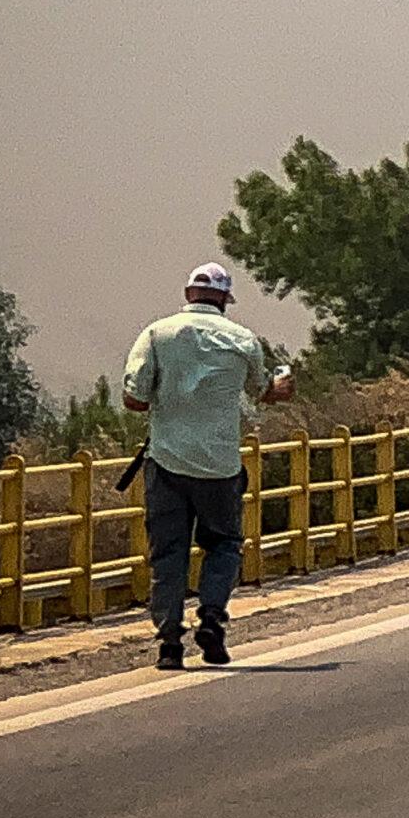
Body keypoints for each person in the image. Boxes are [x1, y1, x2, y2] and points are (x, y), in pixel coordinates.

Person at [122, 262, 292, 670]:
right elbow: (262, 392)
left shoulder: (156, 334)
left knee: (168, 554)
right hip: (220, 465)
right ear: (225, 300)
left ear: (187, 295)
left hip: (166, 464)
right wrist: (281, 387)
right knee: (225, 544)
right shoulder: (243, 339)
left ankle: (168, 644)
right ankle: (212, 617)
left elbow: (134, 398)